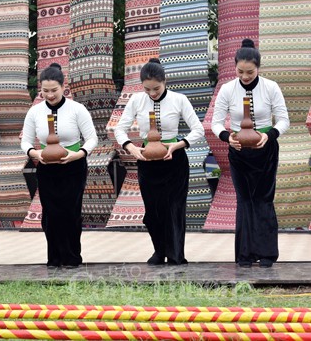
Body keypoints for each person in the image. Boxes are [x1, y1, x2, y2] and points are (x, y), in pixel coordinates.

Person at [114, 58, 204, 266]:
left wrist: (177, 145)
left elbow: (198, 130)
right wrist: (132, 147)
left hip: (175, 160)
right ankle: (158, 251)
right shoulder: (136, 100)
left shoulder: (178, 99)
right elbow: (119, 129)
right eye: (147, 89)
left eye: (156, 88)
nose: (152, 93)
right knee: (153, 210)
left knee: (174, 208)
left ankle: (175, 255)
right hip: (148, 159)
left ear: (165, 81)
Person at [211, 39, 289, 268]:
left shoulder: (271, 87)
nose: (245, 76)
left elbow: (284, 120)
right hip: (239, 151)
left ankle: (266, 254)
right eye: (240, 71)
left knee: (263, 199)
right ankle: (245, 255)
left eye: (250, 72)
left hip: (266, 151)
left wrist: (269, 135)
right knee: (245, 200)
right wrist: (228, 138)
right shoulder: (227, 89)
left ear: (259, 68)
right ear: (234, 68)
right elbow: (216, 123)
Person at [21, 63, 97, 268]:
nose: (50, 95)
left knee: (70, 212)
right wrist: (34, 153)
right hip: (47, 168)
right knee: (50, 214)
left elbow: (92, 139)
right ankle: (54, 258)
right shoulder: (35, 112)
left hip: (73, 167)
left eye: (54, 90)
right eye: (45, 91)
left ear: (64, 87)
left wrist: (78, 154)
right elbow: (26, 141)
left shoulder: (77, 109)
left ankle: (72, 257)